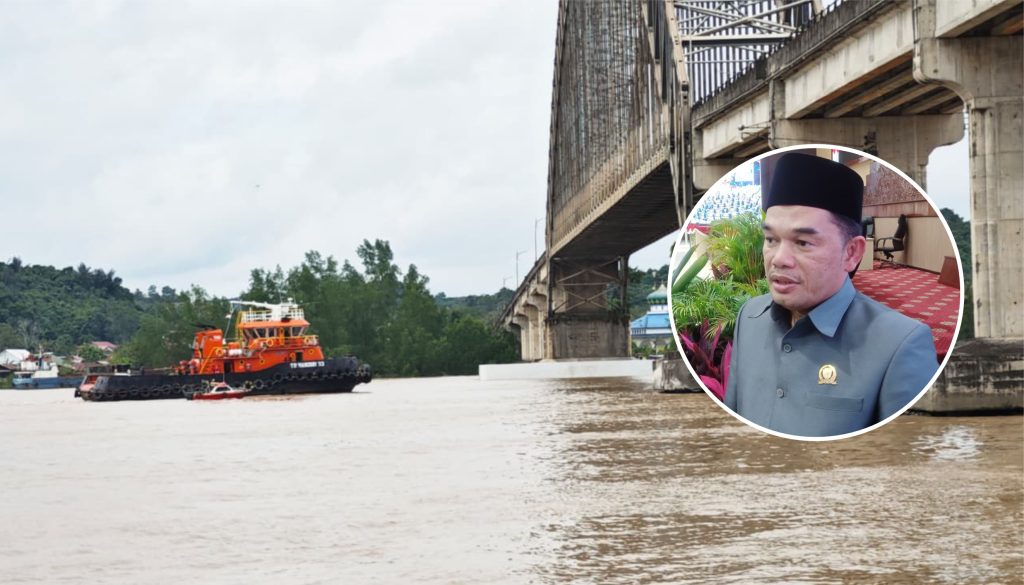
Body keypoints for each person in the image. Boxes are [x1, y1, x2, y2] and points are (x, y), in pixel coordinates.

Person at [723, 152, 938, 437]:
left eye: (803, 242)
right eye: (771, 240)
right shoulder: (749, 318)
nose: (778, 259)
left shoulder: (900, 345)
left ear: (851, 253)